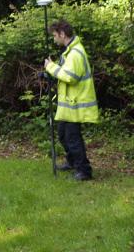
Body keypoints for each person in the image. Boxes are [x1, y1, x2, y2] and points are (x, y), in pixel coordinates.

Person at [43, 19, 99, 181]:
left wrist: (50, 67)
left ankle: (84, 171)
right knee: (62, 135)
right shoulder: (69, 51)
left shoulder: (75, 53)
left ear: (62, 34)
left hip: (76, 104)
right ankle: (73, 162)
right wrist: (48, 74)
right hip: (69, 104)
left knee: (72, 139)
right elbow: (64, 72)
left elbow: (70, 77)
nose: (54, 39)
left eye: (55, 35)